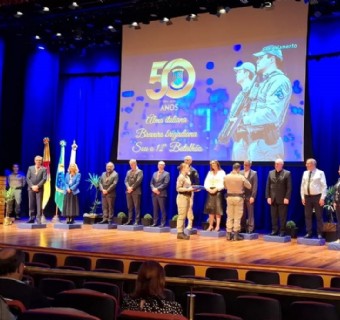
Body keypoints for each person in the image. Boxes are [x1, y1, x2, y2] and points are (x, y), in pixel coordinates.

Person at [236, 45, 292, 161]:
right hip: (256, 143)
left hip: (267, 145)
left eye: (261, 58)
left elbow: (272, 113)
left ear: (272, 59)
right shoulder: (265, 82)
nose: (257, 61)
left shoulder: (279, 81)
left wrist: (246, 119)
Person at [217, 62, 257, 160]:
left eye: (239, 71)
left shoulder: (255, 91)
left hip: (251, 140)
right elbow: (232, 118)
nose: (236, 74)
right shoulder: (240, 95)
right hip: (239, 140)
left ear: (247, 73)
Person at [300, 158, 327, 239]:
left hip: (317, 197)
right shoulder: (305, 173)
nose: (306, 165)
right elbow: (302, 186)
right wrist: (302, 197)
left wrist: (322, 198)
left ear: (312, 164)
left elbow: (324, 186)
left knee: (319, 216)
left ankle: (320, 233)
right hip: (307, 197)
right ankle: (309, 232)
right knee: (307, 215)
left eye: (307, 163)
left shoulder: (320, 173)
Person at [224, 163, 251, 240]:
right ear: (239, 169)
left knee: (229, 216)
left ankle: (228, 234)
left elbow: (225, 186)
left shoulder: (226, 177)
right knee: (237, 217)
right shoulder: (241, 177)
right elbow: (249, 186)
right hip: (238, 198)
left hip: (229, 197)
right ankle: (236, 235)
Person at [265, 158, 292, 236]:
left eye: (278, 164)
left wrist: (287, 197)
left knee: (282, 216)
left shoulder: (287, 173)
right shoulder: (270, 173)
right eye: (275, 164)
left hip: (282, 198)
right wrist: (268, 197)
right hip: (273, 198)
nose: (276, 165)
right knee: (274, 216)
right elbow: (267, 186)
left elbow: (289, 187)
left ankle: (282, 231)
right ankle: (274, 230)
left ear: (282, 165)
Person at [203, 160, 225, 232]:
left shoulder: (222, 173)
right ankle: (210, 225)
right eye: (211, 164)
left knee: (218, 210)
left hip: (218, 192)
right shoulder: (210, 173)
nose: (213, 165)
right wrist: (208, 189)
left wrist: (216, 189)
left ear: (217, 164)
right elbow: (206, 182)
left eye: (214, 164)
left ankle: (217, 226)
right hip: (210, 192)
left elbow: (223, 183)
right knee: (210, 210)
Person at [26, 155, 47, 224]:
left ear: (41, 162)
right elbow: (27, 178)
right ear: (35, 161)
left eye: (40, 160)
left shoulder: (44, 169)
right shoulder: (30, 168)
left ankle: (38, 219)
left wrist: (37, 186)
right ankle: (31, 218)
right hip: (31, 188)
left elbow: (44, 179)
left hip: (39, 189)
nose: (38, 162)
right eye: (37, 160)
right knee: (31, 204)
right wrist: (32, 186)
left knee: (39, 204)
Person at [176, 163, 194, 240]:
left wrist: (193, 189)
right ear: (183, 168)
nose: (189, 169)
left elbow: (188, 187)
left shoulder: (187, 177)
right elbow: (178, 188)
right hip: (182, 197)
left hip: (187, 196)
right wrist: (188, 189)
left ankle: (182, 232)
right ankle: (180, 232)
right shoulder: (181, 177)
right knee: (181, 215)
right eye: (187, 167)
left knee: (184, 215)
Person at [150, 161, 170, 227]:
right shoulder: (154, 173)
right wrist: (154, 189)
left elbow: (165, 183)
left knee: (162, 209)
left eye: (161, 165)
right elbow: (151, 183)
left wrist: (157, 189)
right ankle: (155, 222)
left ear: (164, 166)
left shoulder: (166, 174)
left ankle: (163, 222)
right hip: (154, 194)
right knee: (155, 209)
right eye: (159, 165)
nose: (160, 166)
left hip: (161, 194)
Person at [240, 160, 258, 233]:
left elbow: (255, 186)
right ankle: (243, 227)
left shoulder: (254, 173)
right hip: (241, 196)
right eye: (244, 165)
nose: (245, 166)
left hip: (249, 196)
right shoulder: (240, 173)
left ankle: (250, 228)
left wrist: (253, 196)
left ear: (250, 165)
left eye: (247, 165)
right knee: (242, 213)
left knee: (250, 213)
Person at [124, 159, 143, 225]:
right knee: (129, 207)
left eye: (132, 164)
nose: (131, 165)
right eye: (130, 164)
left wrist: (132, 187)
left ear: (135, 163)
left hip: (136, 192)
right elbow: (125, 180)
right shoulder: (128, 172)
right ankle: (130, 220)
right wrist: (128, 187)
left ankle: (137, 220)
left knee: (136, 207)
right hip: (128, 191)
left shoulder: (139, 171)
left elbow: (138, 181)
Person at [183, 155, 200, 229]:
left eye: (188, 160)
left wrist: (193, 188)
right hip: (182, 191)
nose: (186, 161)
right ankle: (182, 223)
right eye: (185, 160)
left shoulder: (193, 170)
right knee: (182, 207)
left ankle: (190, 223)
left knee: (189, 207)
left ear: (191, 161)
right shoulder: (181, 169)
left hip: (190, 191)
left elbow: (196, 182)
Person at [334, 166, 340, 243]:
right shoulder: (338, 180)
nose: (339, 171)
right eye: (339, 169)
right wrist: (334, 202)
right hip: (338, 205)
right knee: (339, 222)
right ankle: (339, 238)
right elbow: (335, 192)